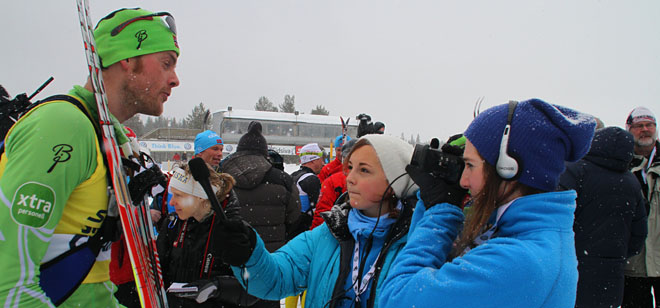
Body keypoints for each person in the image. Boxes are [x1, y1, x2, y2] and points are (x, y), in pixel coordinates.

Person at [0, 7, 179, 307]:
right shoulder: (65, 126)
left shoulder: (108, 139)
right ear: (127, 58)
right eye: (166, 63)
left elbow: (92, 286)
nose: (175, 79)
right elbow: (8, 286)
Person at [381, 99, 596, 308]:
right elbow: (424, 274)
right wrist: (430, 202)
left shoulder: (518, 260)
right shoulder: (521, 237)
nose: (463, 181)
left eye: (470, 165)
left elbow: (397, 298)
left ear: (508, 167)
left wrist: (440, 212)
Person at [218, 134, 419, 308]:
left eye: (364, 170)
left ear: (395, 181)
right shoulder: (330, 233)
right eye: (350, 167)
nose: (349, 178)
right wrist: (250, 254)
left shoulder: (419, 243)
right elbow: (275, 278)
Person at [559, 126, 647, 308]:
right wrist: (615, 255)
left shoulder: (574, 171)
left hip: (571, 269)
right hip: (612, 277)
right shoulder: (632, 182)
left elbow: (554, 217)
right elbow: (639, 235)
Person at [220, 121, 300, 308]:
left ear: (239, 151)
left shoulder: (222, 177)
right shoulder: (283, 180)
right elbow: (294, 217)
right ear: (265, 153)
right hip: (268, 265)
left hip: (229, 264)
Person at [156, 165, 258, 308]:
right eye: (173, 194)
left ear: (201, 197)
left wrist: (217, 287)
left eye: (179, 195)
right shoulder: (173, 224)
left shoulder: (234, 231)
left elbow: (254, 289)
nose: (172, 202)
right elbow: (157, 273)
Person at [622, 106, 660, 308]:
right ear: (629, 129)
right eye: (639, 126)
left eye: (649, 125)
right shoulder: (619, 164)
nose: (645, 129)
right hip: (632, 263)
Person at [311, 138, 357, 230]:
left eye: (341, 150)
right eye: (338, 150)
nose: (339, 153)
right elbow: (322, 211)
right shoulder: (328, 172)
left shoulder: (371, 179)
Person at [290, 143, 324, 235]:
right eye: (321, 159)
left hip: (292, 229)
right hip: (304, 230)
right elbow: (317, 210)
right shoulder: (311, 179)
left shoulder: (293, 175)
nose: (323, 163)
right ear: (313, 160)